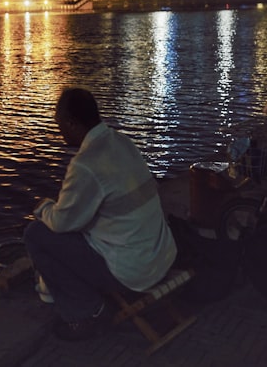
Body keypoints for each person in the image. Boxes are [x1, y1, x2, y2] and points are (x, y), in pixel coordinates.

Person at [24, 87, 177, 341]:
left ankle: (85, 312)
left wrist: (43, 208)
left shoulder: (86, 163)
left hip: (132, 272)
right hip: (160, 255)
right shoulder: (122, 142)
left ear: (72, 123)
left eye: (59, 124)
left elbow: (62, 222)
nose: (59, 131)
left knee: (36, 234)